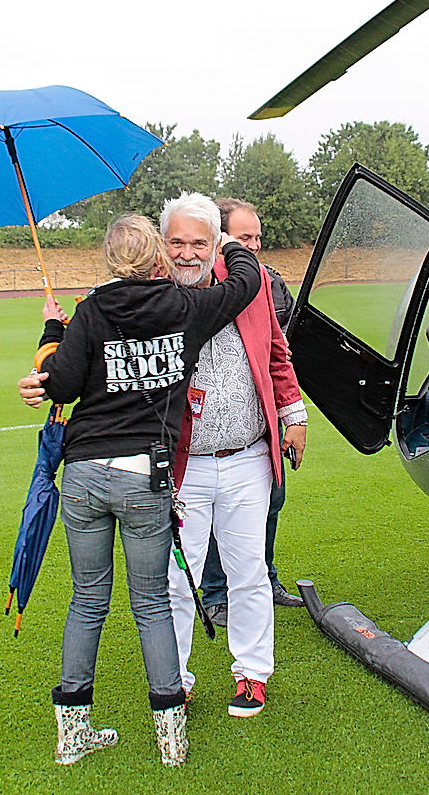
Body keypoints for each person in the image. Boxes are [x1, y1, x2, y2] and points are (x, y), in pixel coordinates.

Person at [28, 210, 260, 766]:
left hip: (84, 473)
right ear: (158, 255)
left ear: (109, 261)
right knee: (152, 602)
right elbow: (246, 283)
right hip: (143, 475)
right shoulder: (183, 308)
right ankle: (171, 741)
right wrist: (228, 242)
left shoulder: (91, 311)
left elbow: (59, 384)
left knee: (88, 601)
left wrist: (52, 330)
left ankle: (72, 736)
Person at [158, 195, 308, 718]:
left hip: (248, 456)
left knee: (249, 575)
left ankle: (252, 675)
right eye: (176, 242)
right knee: (178, 580)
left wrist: (294, 416)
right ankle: (173, 680)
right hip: (182, 467)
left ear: (214, 241)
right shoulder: (154, 288)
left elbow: (276, 353)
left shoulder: (250, 282)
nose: (186, 252)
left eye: (198, 241)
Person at [199, 198, 303, 629]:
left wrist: (293, 415)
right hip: (207, 426)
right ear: (221, 239)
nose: (255, 246)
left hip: (261, 415)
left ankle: (266, 578)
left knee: (271, 502)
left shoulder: (269, 281)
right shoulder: (199, 282)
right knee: (211, 510)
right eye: (245, 238)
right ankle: (216, 594)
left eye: (258, 237)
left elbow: (280, 346)